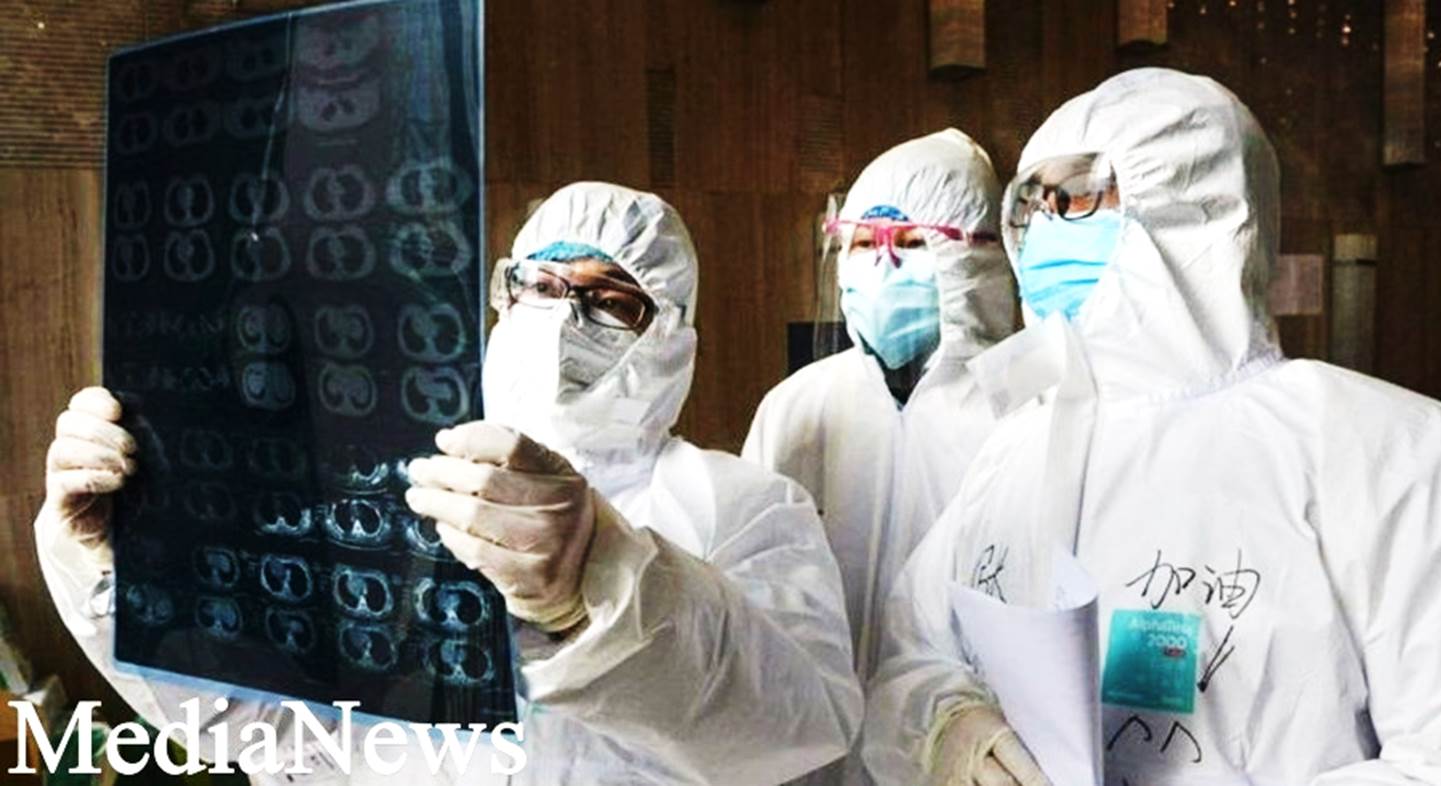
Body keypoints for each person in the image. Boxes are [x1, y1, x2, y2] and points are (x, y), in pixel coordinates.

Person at [36, 182, 863, 785]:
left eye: (610, 301)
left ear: (672, 333)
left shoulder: (740, 506)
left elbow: (792, 735)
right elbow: (265, 729)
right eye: (539, 286)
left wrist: (598, 587)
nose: (562, 317)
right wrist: (139, 568)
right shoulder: (382, 487)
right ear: (502, 298)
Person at [863, 68, 1441, 786]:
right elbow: (916, 648)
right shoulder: (1018, 450)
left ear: (1191, 210)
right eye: (1030, 206)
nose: (1043, 231)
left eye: (1076, 199)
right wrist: (949, 726)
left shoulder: (1398, 457)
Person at [741, 129, 1015, 784]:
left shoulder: (1022, 408)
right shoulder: (798, 406)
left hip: (964, 754)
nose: (882, 266)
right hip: (809, 754)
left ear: (975, 257)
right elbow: (750, 582)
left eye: (912, 243)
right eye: (863, 243)